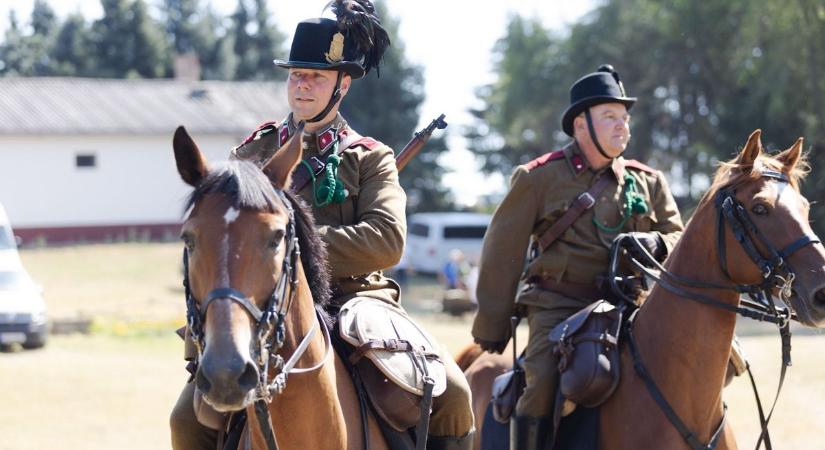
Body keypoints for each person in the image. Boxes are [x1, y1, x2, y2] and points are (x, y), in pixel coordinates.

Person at [169, 2, 474, 449]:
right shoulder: (253, 153)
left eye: (317, 76)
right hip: (265, 299)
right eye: (296, 74)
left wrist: (291, 246)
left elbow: (387, 241)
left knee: (454, 392)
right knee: (187, 419)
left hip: (358, 300)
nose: (303, 84)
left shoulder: (369, 156)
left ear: (342, 84)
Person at [471, 65, 685, 450]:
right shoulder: (538, 178)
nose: (623, 126)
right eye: (609, 117)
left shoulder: (649, 181)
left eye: (624, 118)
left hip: (632, 305)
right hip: (560, 306)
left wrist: (656, 243)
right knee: (541, 382)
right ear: (580, 125)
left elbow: (679, 238)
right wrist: (492, 325)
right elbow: (502, 253)